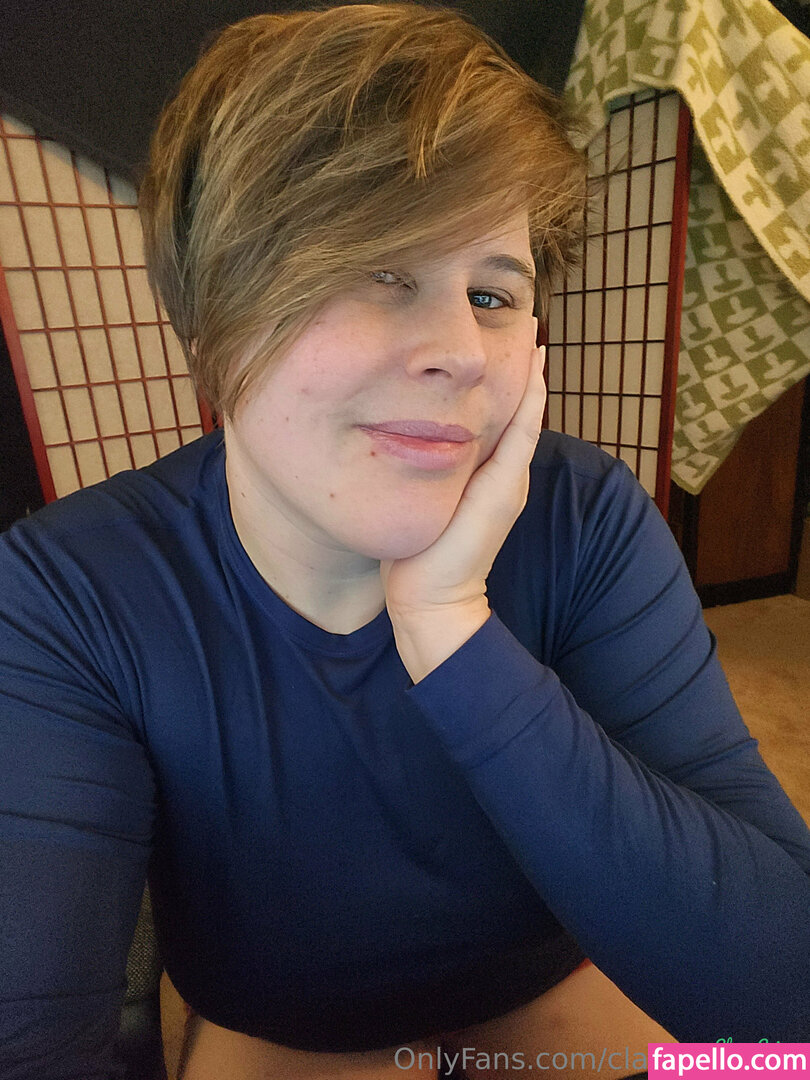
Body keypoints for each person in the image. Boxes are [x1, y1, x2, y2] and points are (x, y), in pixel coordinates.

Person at [1, 3, 809, 1078]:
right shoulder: (69, 592)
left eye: (493, 292)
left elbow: (785, 1000)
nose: (461, 349)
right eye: (378, 270)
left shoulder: (587, 517)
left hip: (549, 997)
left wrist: (451, 629)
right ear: (211, 316)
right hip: (287, 1024)